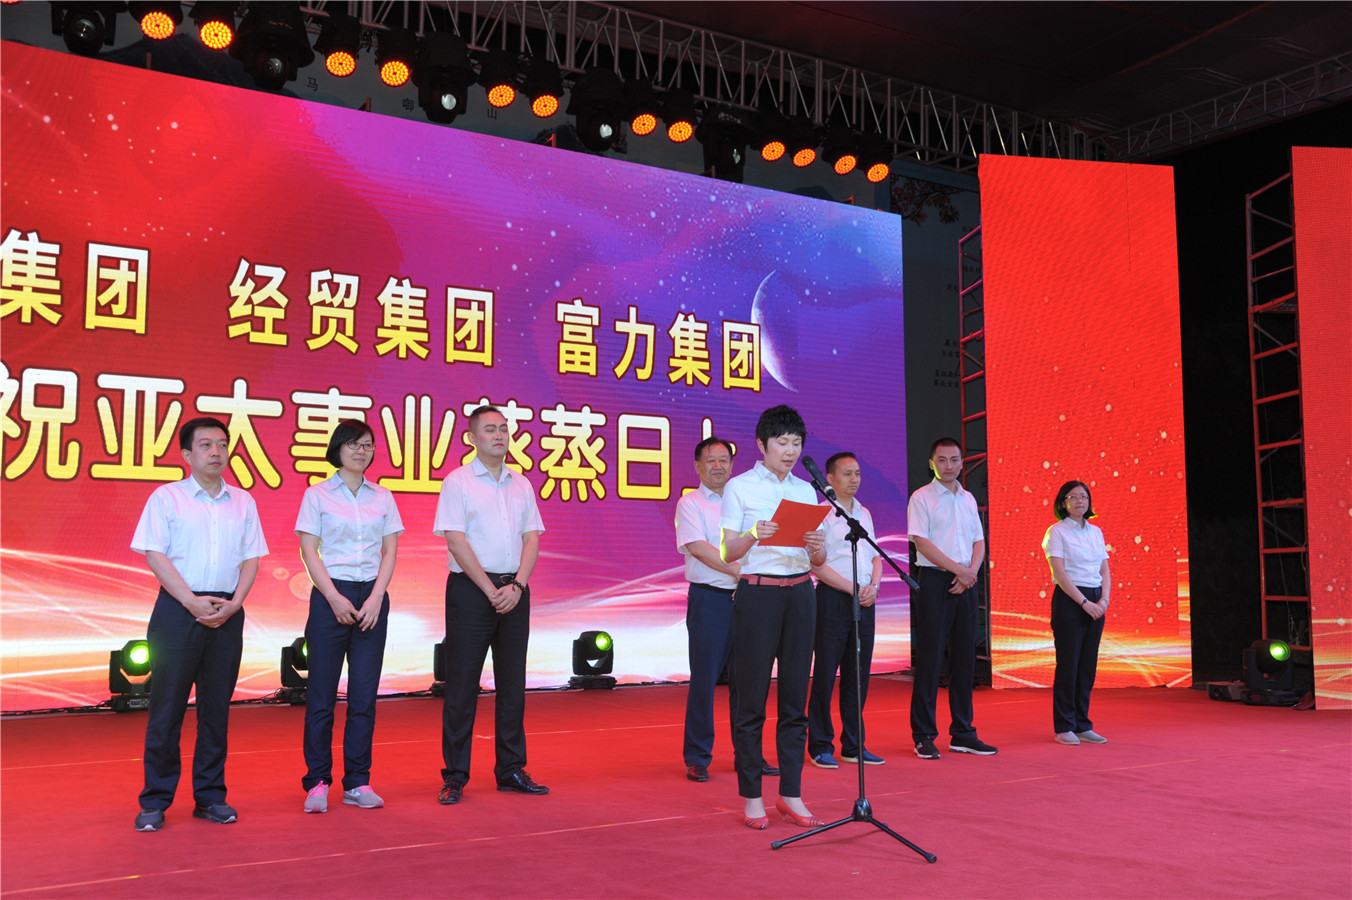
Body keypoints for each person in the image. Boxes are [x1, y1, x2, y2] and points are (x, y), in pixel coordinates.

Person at [130, 417, 268, 832]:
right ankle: (155, 800)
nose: (216, 452)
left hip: (227, 611)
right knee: (167, 708)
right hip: (178, 610)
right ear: (187, 455)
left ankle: (210, 796)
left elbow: (252, 558)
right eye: (206, 445)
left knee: (216, 710)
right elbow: (154, 554)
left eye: (222, 444)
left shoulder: (243, 501)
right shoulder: (167, 498)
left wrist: (235, 604)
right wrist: (190, 601)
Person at [434, 405, 548, 804]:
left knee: (513, 685)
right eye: (489, 430)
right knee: (462, 686)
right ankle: (455, 776)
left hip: (514, 589)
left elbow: (532, 538)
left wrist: (517, 585)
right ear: (472, 438)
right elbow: (455, 540)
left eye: (503, 429)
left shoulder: (522, 484)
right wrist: (488, 588)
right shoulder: (458, 482)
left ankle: (511, 769)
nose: (499, 435)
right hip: (471, 591)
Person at [721, 405, 827, 830]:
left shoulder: (805, 490)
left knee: (795, 700)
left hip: (801, 593)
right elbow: (728, 551)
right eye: (782, 442)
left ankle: (791, 794)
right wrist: (753, 534)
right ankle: (752, 796)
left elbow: (818, 560)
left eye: (796, 443)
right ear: (762, 444)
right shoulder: (739, 487)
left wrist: (817, 546)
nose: (790, 451)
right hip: (759, 595)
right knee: (751, 701)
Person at [295, 419, 404, 813]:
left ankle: (357, 781)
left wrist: (376, 597)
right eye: (355, 444)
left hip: (371, 596)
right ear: (337, 449)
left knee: (363, 696)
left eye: (368, 445)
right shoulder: (317, 495)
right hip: (331, 596)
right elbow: (309, 551)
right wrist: (333, 598)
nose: (362, 451)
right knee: (321, 695)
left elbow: (390, 551)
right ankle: (317, 782)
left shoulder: (383, 497)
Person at [676, 437, 780, 783]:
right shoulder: (690, 503)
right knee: (704, 680)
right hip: (710, 600)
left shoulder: (747, 501)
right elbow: (698, 547)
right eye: (711, 460)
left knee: (749, 682)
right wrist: (739, 571)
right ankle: (697, 756)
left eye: (724, 460)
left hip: (750, 598)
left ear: (733, 466)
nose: (718, 466)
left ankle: (748, 756)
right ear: (698, 466)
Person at [906, 437, 997, 759]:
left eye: (954, 460)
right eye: (942, 460)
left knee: (964, 659)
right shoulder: (922, 497)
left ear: (962, 462)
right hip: (935, 580)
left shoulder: (968, 499)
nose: (949, 466)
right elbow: (922, 543)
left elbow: (979, 541)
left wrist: (970, 572)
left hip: (966, 581)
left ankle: (963, 733)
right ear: (931, 463)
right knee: (930, 659)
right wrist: (960, 570)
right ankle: (923, 735)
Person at [808, 452, 885, 769]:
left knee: (858, 675)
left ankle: (853, 744)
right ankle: (820, 745)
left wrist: (873, 587)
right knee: (826, 673)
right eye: (847, 474)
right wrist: (852, 588)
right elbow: (816, 565)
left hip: (865, 599)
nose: (854, 479)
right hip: (833, 598)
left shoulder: (863, 513)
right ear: (830, 478)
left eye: (857, 474)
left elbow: (876, 556)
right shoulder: (822, 514)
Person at [1043, 480, 1111, 745]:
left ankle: (1083, 724)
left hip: (1096, 598)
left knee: (1087, 666)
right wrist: (1084, 603)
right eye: (1073, 497)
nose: (1079, 501)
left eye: (1083, 496)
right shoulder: (1057, 532)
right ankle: (1064, 726)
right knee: (1068, 665)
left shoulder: (1096, 532)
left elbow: (1104, 570)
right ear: (1063, 503)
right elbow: (1060, 573)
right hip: (1071, 599)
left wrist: (1104, 599)